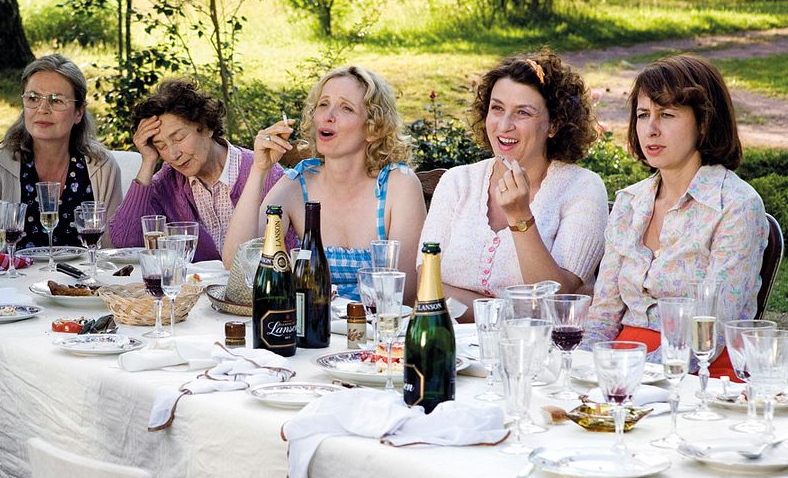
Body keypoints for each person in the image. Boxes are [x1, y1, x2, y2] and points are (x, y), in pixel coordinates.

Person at [585, 54, 767, 369]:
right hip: (622, 367)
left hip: (703, 375)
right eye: (643, 114)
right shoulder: (629, 203)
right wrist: (582, 368)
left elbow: (714, 329)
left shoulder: (737, 206)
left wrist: (637, 371)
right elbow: (602, 316)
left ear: (704, 122)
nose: (650, 129)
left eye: (667, 114)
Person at [419, 49, 608, 313]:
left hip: (540, 348)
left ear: (553, 125)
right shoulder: (457, 182)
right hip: (453, 345)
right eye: (497, 108)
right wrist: (509, 312)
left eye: (522, 113)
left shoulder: (582, 188)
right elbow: (426, 282)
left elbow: (555, 298)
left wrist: (521, 219)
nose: (504, 125)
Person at [222, 66, 426, 301]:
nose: (328, 116)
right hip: (311, 329)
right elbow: (234, 263)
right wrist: (259, 170)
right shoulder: (298, 184)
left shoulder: (398, 186)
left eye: (346, 108)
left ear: (372, 128)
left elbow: (406, 292)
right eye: (323, 104)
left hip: (376, 330)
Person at [108, 79, 292, 260]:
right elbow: (124, 240)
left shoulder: (266, 174)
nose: (173, 154)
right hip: (190, 290)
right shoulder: (167, 183)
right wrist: (148, 161)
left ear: (206, 127)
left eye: (179, 138)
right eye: (161, 146)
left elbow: (289, 252)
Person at [0, 54, 122, 248]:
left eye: (56, 100)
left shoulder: (101, 166)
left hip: (84, 278)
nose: (42, 109)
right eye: (33, 98)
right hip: (11, 278)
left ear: (78, 112)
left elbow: (111, 252)